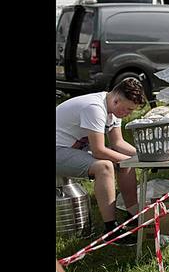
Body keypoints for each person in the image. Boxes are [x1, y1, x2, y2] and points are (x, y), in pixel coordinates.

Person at [55, 76, 148, 240]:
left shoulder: (112, 108)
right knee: (104, 167)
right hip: (58, 150)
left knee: (123, 161)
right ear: (117, 100)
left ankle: (134, 214)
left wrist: (144, 156)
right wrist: (131, 160)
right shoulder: (95, 108)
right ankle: (111, 230)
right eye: (128, 109)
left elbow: (118, 143)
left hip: (69, 149)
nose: (128, 114)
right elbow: (99, 151)